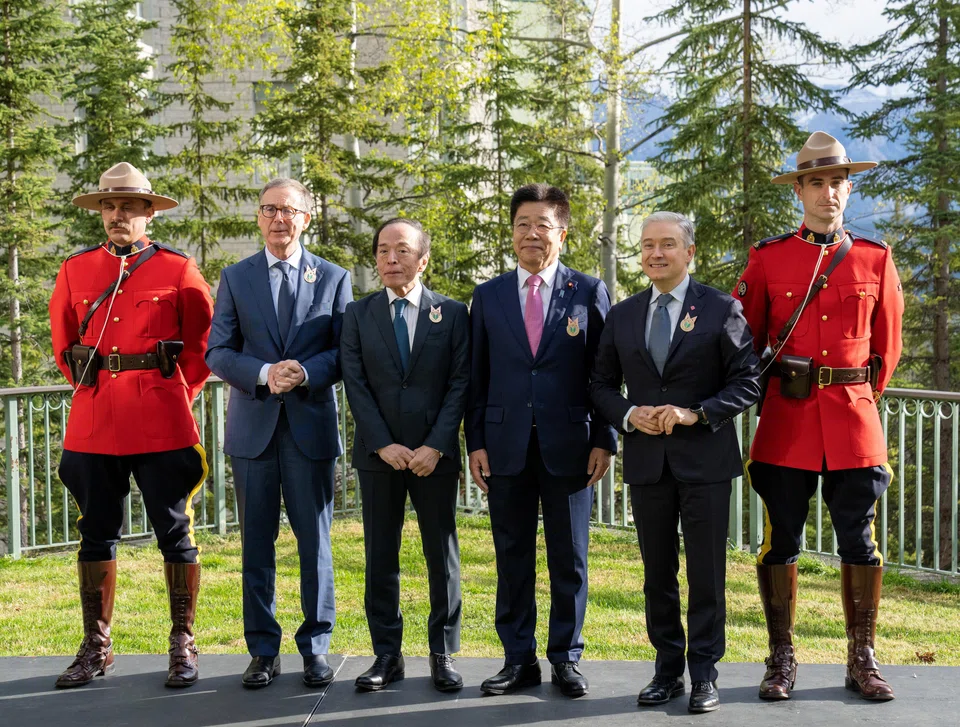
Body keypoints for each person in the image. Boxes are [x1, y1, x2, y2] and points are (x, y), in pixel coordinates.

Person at [733, 131, 904, 702]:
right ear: (800, 190)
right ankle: (781, 658)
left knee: (860, 542)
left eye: (837, 182)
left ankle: (862, 658)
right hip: (786, 422)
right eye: (817, 183)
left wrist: (856, 397)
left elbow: (888, 350)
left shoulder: (875, 259)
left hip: (854, 422)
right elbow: (744, 341)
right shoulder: (769, 258)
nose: (828, 193)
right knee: (781, 540)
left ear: (848, 190)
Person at [49, 162, 214, 689]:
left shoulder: (178, 269)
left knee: (174, 531)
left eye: (128, 207)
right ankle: (96, 647)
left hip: (162, 419)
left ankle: (182, 644)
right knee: (95, 533)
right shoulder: (76, 270)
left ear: (148, 213)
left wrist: (173, 391)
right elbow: (63, 342)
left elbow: (201, 345)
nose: (117, 215)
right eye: (109, 207)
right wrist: (96, 386)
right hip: (95, 419)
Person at [590, 212, 760, 713]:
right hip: (647, 464)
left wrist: (696, 413)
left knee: (707, 574)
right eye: (647, 246)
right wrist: (627, 413)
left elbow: (748, 382)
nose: (655, 254)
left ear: (690, 252)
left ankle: (705, 674)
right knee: (656, 574)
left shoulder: (721, 308)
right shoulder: (622, 315)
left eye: (667, 244)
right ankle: (667, 670)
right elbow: (598, 385)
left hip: (705, 462)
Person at [466, 183, 616, 698]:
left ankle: (566, 658)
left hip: (572, 445)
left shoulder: (589, 291)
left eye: (543, 225)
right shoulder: (487, 296)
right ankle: (517, 658)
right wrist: (475, 442)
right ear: (512, 234)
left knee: (569, 557)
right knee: (512, 557)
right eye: (523, 224)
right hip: (505, 444)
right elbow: (476, 378)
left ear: (563, 233)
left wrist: (605, 438)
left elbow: (605, 375)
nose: (532, 234)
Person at [205, 178, 353, 689]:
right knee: (256, 546)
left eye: (289, 211)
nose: (278, 220)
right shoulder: (236, 277)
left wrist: (306, 372)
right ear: (259, 216)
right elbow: (217, 351)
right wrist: (266, 374)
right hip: (254, 430)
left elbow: (343, 351)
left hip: (310, 427)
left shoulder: (333, 278)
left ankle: (316, 647)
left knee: (315, 544)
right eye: (269, 210)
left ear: (305, 219)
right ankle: (262, 650)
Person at [340, 218, 469, 693]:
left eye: (402, 251)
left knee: (442, 554)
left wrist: (435, 445)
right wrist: (382, 443)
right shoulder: (357, 314)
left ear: (423, 258)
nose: (391, 260)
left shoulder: (453, 314)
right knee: (380, 556)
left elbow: (460, 383)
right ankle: (386, 655)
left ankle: (443, 652)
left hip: (433, 457)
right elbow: (355, 383)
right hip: (380, 457)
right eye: (382, 251)